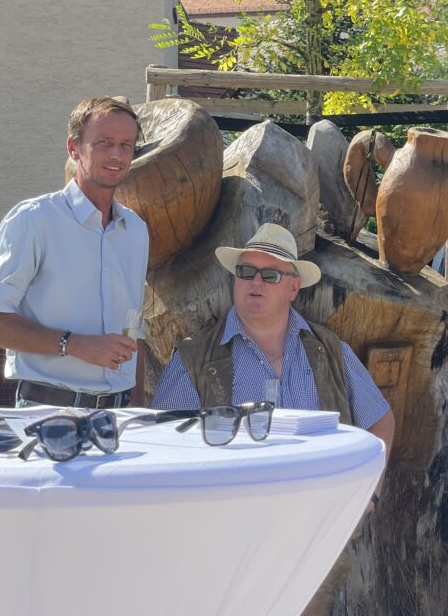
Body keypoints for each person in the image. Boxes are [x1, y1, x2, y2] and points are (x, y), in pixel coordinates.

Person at [151, 222, 395, 615]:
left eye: (270, 274)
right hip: (226, 548)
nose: (254, 282)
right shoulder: (195, 358)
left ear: (293, 287)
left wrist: (371, 493)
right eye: (245, 272)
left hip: (315, 539)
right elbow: (162, 444)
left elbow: (380, 422)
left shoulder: (329, 351)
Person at [0, 97, 149, 408]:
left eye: (126, 144)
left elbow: (135, 329)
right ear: (73, 148)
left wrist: (137, 408)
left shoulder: (136, 230)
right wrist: (74, 345)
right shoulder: (34, 220)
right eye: (104, 143)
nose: (116, 155)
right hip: (47, 414)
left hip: (120, 418)